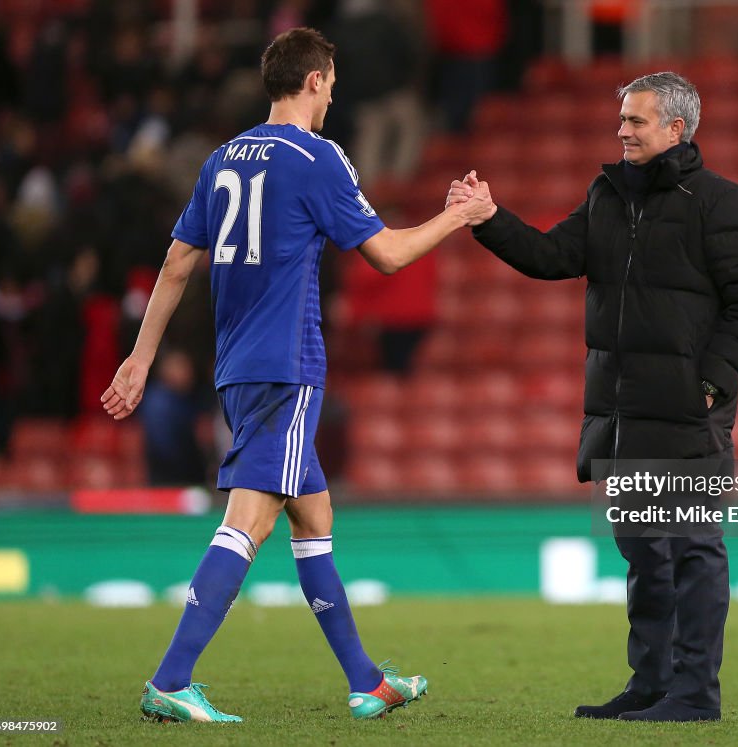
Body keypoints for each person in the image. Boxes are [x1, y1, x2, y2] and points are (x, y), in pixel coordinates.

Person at [102, 28, 493, 724]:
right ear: (313, 80)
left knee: (314, 514)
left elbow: (176, 265)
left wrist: (139, 357)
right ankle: (171, 676)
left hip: (239, 365)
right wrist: (457, 215)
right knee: (248, 521)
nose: (334, 94)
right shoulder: (319, 157)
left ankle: (367, 681)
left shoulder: (222, 158)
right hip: (287, 366)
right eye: (333, 83)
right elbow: (390, 255)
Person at [448, 72, 738, 722]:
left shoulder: (723, 203)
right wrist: (489, 218)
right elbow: (550, 255)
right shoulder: (607, 196)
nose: (622, 130)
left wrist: (710, 380)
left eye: (636, 121)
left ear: (676, 129)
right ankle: (652, 684)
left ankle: (695, 693)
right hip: (620, 414)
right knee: (643, 554)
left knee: (690, 550)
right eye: (622, 119)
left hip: (686, 411)